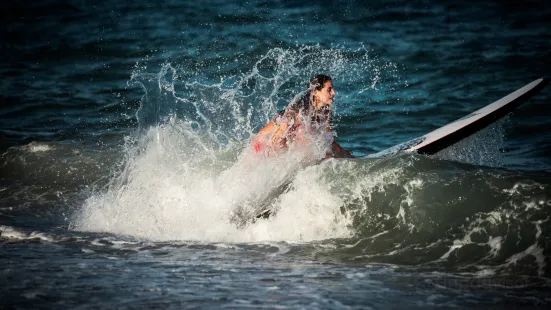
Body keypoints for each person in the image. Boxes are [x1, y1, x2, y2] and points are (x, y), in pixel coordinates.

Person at [251, 74, 354, 159]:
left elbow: (329, 141)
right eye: (329, 89)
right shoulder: (298, 113)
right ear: (315, 92)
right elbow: (276, 140)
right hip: (262, 143)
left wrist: (349, 158)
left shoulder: (326, 111)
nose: (334, 93)